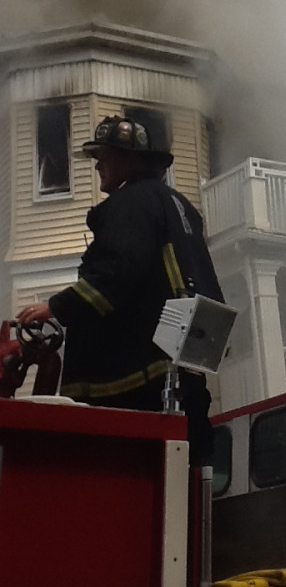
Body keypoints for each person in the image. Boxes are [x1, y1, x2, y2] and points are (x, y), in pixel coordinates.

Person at [17, 115, 224, 464]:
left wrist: (55, 307)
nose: (97, 164)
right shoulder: (177, 205)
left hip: (132, 388)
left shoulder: (131, 204)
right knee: (185, 487)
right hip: (179, 383)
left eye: (105, 155)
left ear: (132, 161)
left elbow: (117, 272)